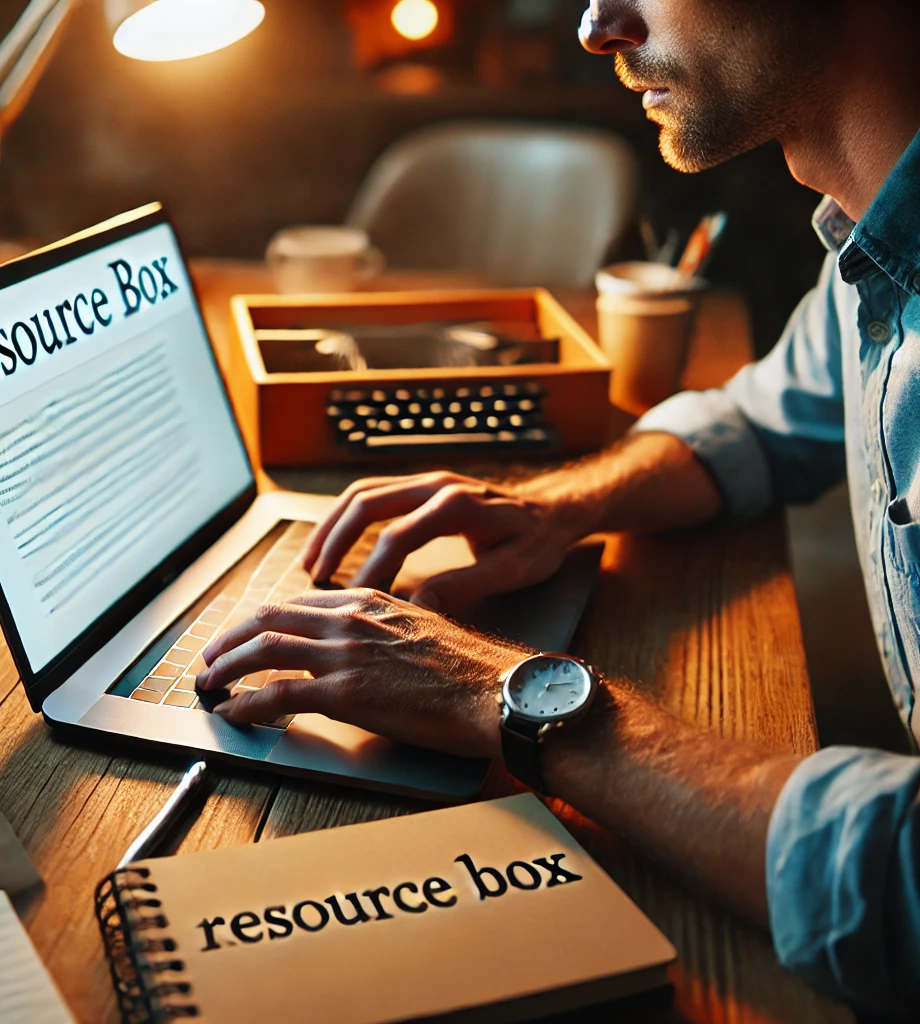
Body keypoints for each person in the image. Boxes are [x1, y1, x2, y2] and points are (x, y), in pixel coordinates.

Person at [196, 0, 920, 1013]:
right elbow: (767, 414)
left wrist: (510, 698)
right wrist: (551, 504)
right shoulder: (879, 239)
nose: (595, 26)